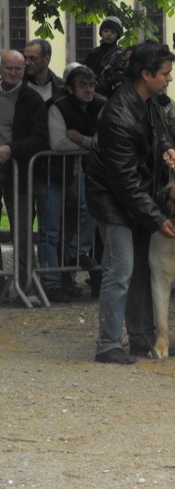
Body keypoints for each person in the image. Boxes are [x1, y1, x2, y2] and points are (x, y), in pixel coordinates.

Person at [86, 42, 175, 364]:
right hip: (113, 202)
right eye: (165, 73)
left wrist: (168, 148)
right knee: (121, 269)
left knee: (141, 268)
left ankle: (142, 339)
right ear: (146, 74)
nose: (170, 79)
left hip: (135, 198)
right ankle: (108, 344)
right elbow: (124, 182)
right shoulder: (117, 115)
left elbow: (160, 133)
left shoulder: (148, 101)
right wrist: (157, 218)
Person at [43, 65, 106, 302]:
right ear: (70, 88)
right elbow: (58, 143)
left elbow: (105, 141)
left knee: (90, 209)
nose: (89, 90)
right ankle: (51, 282)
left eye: (91, 85)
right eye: (83, 85)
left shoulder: (101, 105)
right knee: (51, 229)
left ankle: (77, 253)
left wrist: (83, 140)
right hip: (56, 173)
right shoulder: (58, 106)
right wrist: (91, 147)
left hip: (84, 172)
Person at [0, 49, 49, 306]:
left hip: (18, 171)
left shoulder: (31, 99)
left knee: (22, 230)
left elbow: (41, 138)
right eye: (9, 68)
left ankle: (26, 286)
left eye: (18, 69)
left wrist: (12, 149)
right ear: (1, 68)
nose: (14, 72)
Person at [83, 16, 128, 97]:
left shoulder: (119, 56)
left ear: (117, 35)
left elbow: (115, 80)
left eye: (113, 32)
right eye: (106, 31)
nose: (108, 34)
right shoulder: (93, 53)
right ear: (101, 33)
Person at [23, 39, 62, 104]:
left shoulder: (61, 87)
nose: (27, 63)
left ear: (46, 59)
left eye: (32, 58)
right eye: (25, 58)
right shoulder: (17, 85)